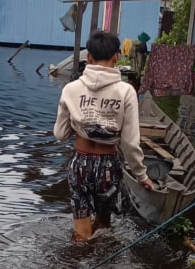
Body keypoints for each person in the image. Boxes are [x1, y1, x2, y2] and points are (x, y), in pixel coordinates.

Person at [53, 31, 154, 240]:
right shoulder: (126, 91)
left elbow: (60, 134)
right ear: (117, 57)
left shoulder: (71, 89)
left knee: (81, 229)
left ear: (88, 57)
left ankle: (79, 263)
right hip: (108, 166)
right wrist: (141, 176)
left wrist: (80, 122)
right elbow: (130, 143)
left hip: (79, 164)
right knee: (104, 225)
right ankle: (99, 267)